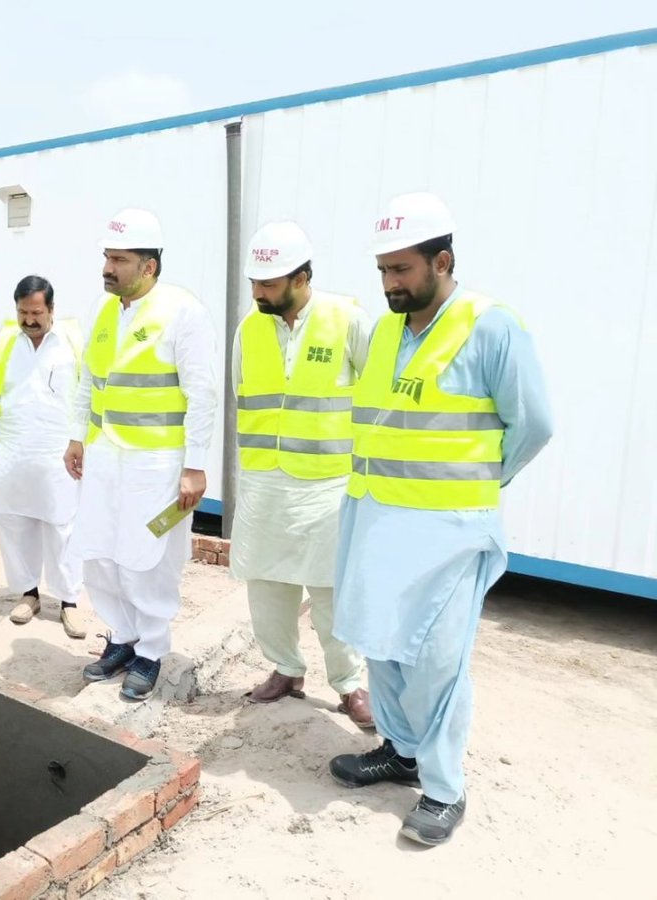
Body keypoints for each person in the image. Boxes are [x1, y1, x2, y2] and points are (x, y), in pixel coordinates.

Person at [328, 192, 553, 846]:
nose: (391, 284)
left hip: (451, 530)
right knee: (383, 645)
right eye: (383, 272)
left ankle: (444, 788)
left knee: (437, 661)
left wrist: (486, 480)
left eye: (402, 271)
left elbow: (534, 424)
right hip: (378, 522)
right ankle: (400, 752)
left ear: (443, 261)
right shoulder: (387, 330)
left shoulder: (491, 326)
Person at [63, 208, 217, 701]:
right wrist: (76, 437)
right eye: (107, 257)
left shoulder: (183, 313)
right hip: (106, 456)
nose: (107, 268)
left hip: (159, 463)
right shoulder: (102, 310)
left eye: (119, 260)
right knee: (100, 553)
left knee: (149, 557)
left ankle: (151, 650)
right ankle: (122, 638)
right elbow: (87, 380)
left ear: (149, 266)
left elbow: (203, 394)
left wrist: (195, 465)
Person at [229, 221, 374, 728]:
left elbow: (377, 399)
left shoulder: (347, 318)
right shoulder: (248, 329)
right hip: (266, 479)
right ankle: (286, 669)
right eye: (254, 283)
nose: (258, 293)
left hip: (329, 482)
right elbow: (241, 396)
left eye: (268, 284)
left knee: (332, 589)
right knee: (267, 583)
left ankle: (351, 685)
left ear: (303, 276)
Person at [0, 275, 87, 639]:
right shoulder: (4, 342)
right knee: (15, 523)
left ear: (51, 310)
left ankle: (69, 602)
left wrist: (80, 441)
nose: (30, 319)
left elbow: (85, 396)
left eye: (36, 312)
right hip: (13, 447)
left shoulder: (72, 343)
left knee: (62, 527)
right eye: (23, 312)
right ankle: (28, 594)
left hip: (57, 449)